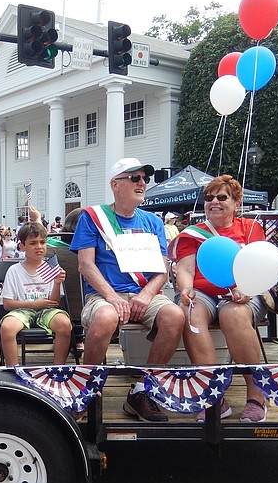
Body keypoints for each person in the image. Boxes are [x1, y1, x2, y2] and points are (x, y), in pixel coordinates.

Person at [70, 158, 185, 422]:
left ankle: (142, 389)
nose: (142, 183)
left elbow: (162, 271)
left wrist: (146, 295)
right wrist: (111, 296)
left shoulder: (153, 222)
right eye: (134, 178)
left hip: (145, 294)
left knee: (175, 316)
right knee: (105, 317)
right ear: (116, 184)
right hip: (104, 294)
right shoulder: (93, 217)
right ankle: (86, 387)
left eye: (144, 178)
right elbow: (85, 265)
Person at [169, 174, 269, 423]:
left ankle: (257, 395)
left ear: (236, 203)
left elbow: (260, 265)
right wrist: (185, 289)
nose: (214, 201)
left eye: (222, 197)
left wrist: (245, 287)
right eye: (209, 197)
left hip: (243, 293)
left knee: (233, 314)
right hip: (203, 293)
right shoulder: (193, 233)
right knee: (189, 312)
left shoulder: (249, 228)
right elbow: (185, 269)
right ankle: (212, 395)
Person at [0, 222, 72, 366]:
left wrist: (57, 283)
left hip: (47, 310)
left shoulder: (52, 268)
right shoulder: (14, 270)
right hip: (22, 310)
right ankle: (13, 370)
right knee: (6, 327)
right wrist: (33, 304)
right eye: (33, 243)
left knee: (64, 324)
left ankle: (58, 369)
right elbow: (7, 304)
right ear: (22, 247)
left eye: (42, 242)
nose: (39, 247)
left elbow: (55, 302)